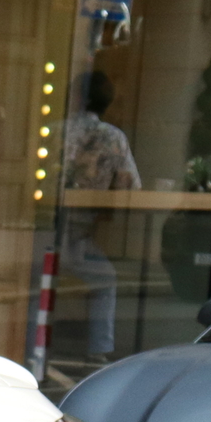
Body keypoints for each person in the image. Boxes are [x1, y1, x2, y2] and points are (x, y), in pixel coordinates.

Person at [60, 70, 140, 362]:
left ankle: (27, 345)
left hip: (44, 228)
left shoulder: (55, 130)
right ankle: (98, 351)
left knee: (31, 285)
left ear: (77, 97)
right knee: (105, 281)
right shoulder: (112, 138)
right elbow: (130, 186)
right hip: (80, 233)